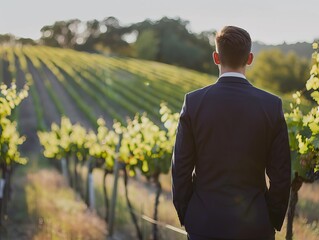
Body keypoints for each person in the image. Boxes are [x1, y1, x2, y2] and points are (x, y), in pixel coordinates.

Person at [171, 26, 291, 240]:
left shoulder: (194, 103)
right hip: (255, 228)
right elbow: (281, 176)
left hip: (203, 226)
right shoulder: (272, 106)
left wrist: (188, 215)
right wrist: (270, 220)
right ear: (250, 58)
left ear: (216, 57)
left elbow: (180, 169)